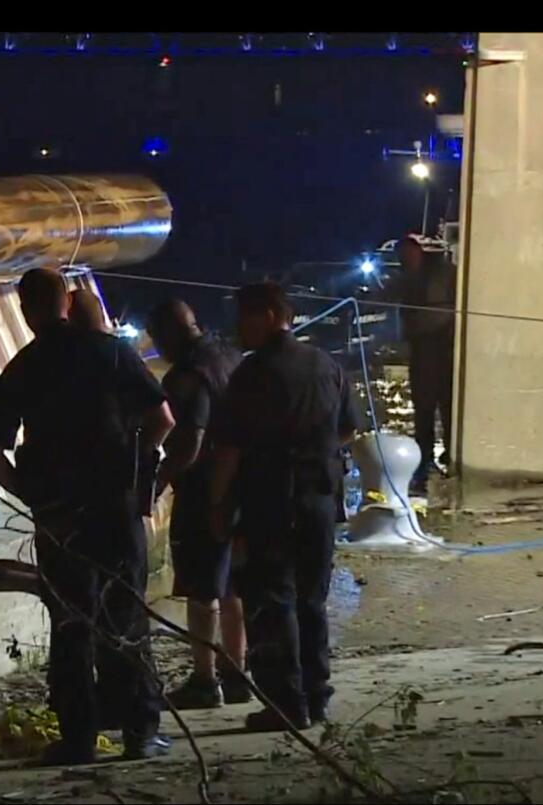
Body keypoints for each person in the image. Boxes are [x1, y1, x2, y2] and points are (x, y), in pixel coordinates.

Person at [0, 268, 175, 765]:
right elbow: (163, 421)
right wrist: (132, 472)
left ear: (26, 311)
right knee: (126, 620)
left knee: (70, 627)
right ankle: (140, 733)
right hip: (114, 511)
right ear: (66, 302)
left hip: (60, 522)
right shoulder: (110, 353)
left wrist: (34, 501)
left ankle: (78, 738)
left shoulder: (24, 367)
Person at [208, 282, 361, 733]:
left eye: (247, 316)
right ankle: (317, 697)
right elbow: (349, 429)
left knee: (272, 602)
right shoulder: (325, 364)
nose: (241, 327)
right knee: (312, 600)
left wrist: (218, 504)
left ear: (272, 314)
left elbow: (230, 450)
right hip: (319, 501)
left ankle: (284, 703)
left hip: (270, 502)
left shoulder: (252, 375)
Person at [145, 299, 249, 709]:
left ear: (166, 334)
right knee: (232, 586)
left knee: (202, 589)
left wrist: (156, 484)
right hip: (240, 488)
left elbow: (190, 442)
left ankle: (205, 680)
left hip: (204, 491)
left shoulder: (189, 376)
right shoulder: (229, 358)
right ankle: (237, 674)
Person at [392, 235, 457, 492]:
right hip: (421, 352)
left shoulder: (442, 273)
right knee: (424, 410)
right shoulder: (406, 278)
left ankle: (450, 455)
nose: (406, 260)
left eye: (408, 254)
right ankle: (424, 461)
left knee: (448, 407)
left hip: (445, 350)